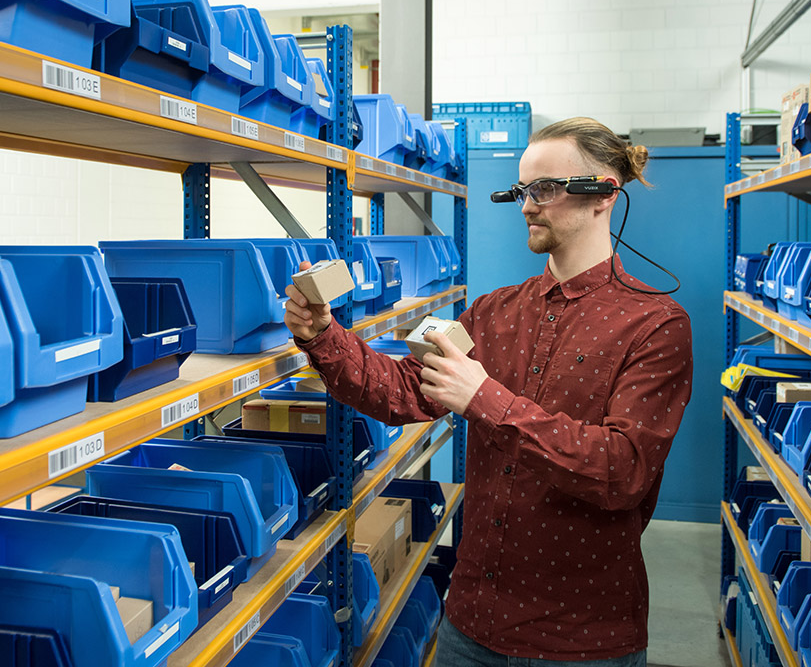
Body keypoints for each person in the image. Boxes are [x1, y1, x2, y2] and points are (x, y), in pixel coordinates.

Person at [284, 117, 693, 666]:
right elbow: (403, 391)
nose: (527, 206)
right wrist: (322, 334)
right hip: (472, 624)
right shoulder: (495, 312)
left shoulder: (656, 324)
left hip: (583, 639)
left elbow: (622, 471)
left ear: (603, 194)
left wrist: (485, 399)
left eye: (544, 189)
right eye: (522, 191)